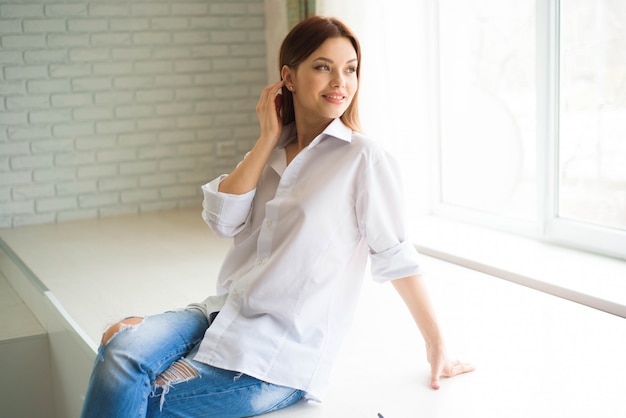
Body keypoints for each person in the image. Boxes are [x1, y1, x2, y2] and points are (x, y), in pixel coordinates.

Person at [80, 15, 474, 418]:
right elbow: (222, 222)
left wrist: (436, 344)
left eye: (350, 69)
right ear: (289, 76)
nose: (341, 81)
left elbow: (395, 255)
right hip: (217, 314)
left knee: (138, 400)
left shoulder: (363, 158)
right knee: (120, 348)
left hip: (275, 358)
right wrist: (266, 138)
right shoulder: (271, 152)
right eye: (323, 67)